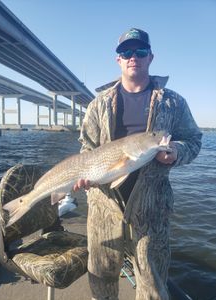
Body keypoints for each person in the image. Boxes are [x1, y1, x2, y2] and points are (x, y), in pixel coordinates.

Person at [74, 28, 202, 300]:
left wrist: (176, 152)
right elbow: (86, 147)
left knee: (153, 285)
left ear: (150, 57)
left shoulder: (173, 102)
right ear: (118, 60)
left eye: (140, 51)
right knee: (101, 280)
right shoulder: (98, 105)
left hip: (152, 209)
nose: (133, 57)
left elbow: (193, 139)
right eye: (126, 52)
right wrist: (83, 176)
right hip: (103, 207)